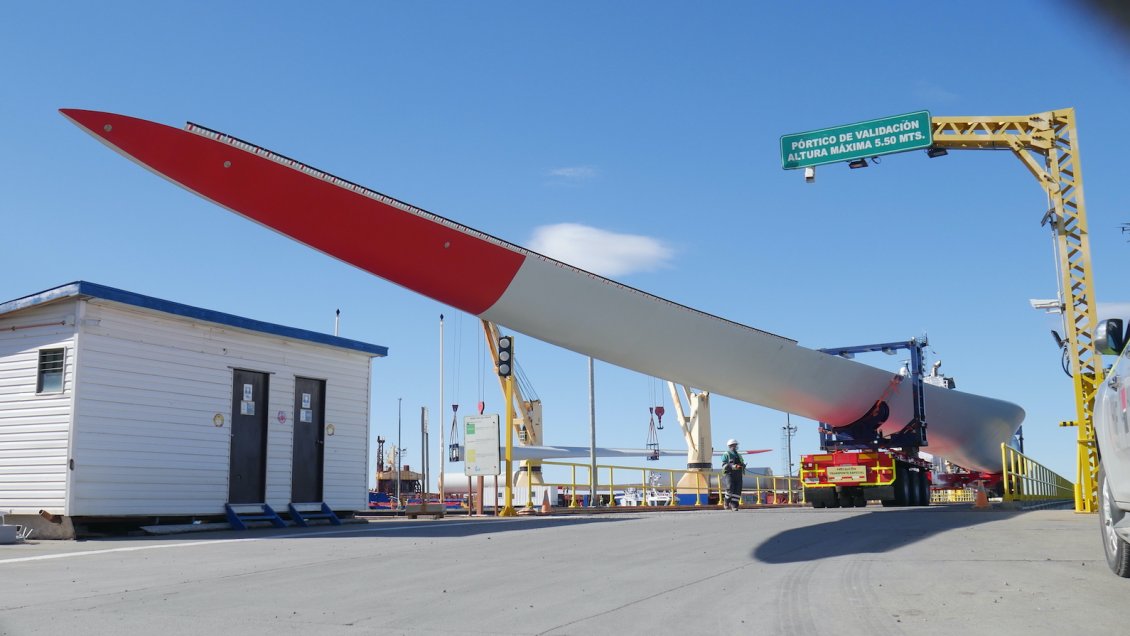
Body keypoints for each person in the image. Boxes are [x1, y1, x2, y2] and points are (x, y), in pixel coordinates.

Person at [721, 439, 746, 510]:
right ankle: (726, 502)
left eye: (736, 445)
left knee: (737, 490)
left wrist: (743, 465)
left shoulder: (739, 455)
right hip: (729, 474)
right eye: (734, 445)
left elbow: (742, 462)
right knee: (730, 487)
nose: (735, 446)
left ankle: (734, 505)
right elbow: (724, 465)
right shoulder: (727, 454)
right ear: (730, 446)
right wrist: (732, 466)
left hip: (738, 474)